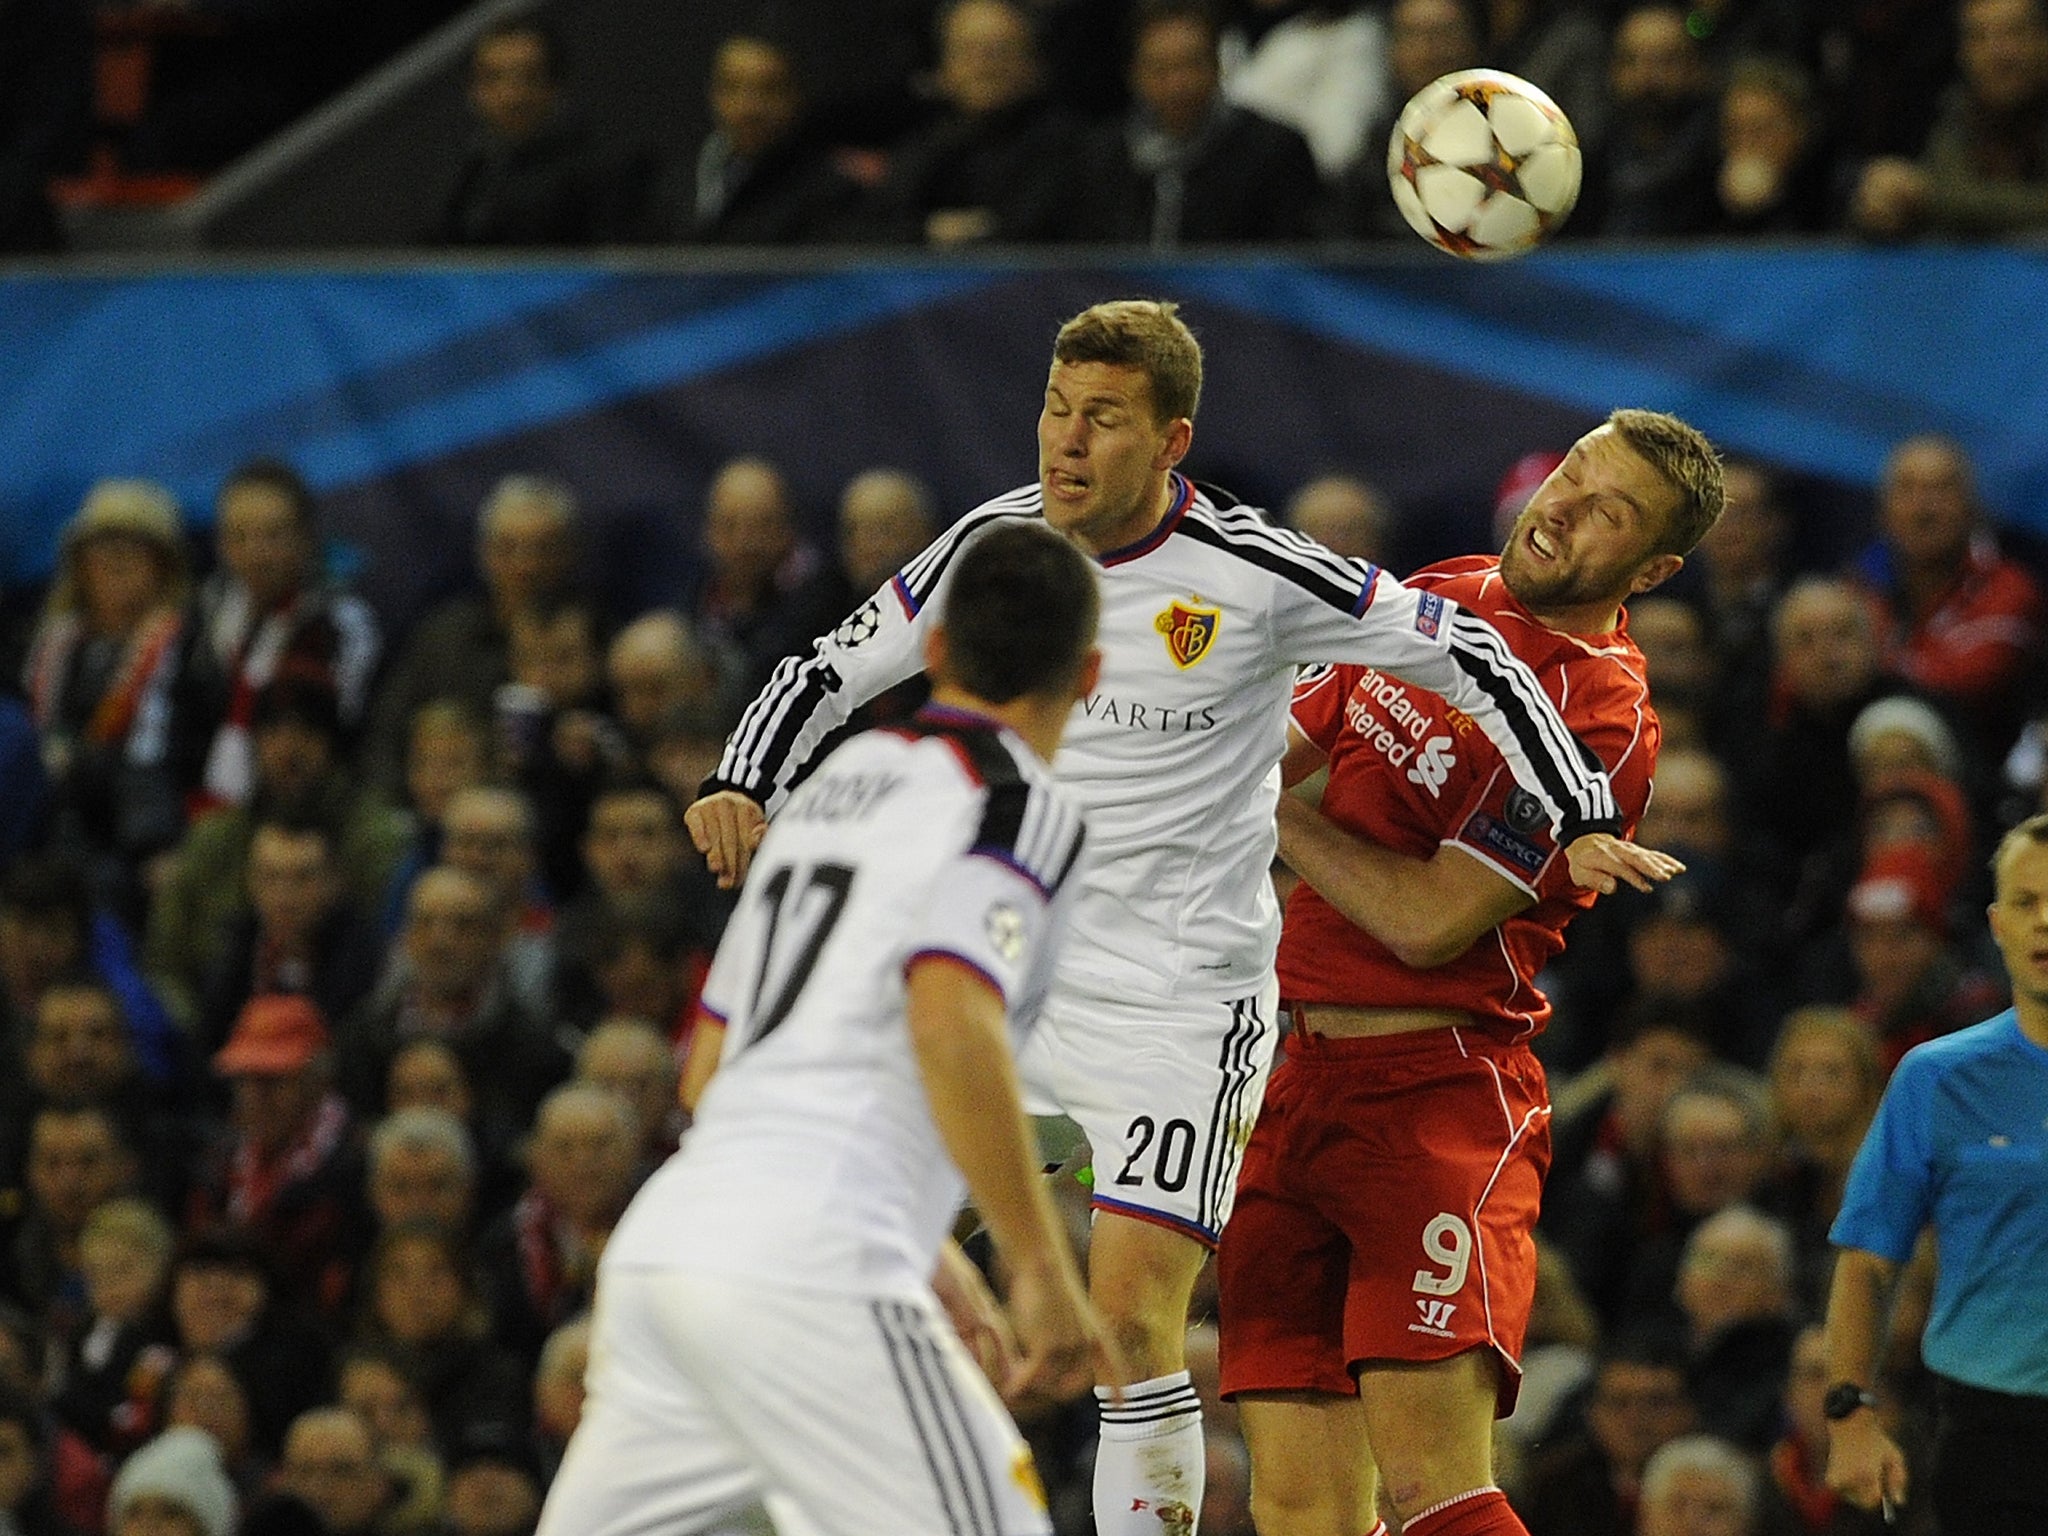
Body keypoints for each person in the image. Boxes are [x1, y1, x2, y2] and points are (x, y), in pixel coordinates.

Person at [688, 299, 1661, 1535]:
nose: (1065, 442)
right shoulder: (994, 542)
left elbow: (1474, 656)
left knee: (1131, 1325)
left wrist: (1572, 808)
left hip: (1182, 1014)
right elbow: (832, 665)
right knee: (870, 1254)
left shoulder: (1260, 573)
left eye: (1101, 420)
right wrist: (738, 776)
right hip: (1015, 978)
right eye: (1054, 410)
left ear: (1170, 441)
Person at [540, 520, 1112, 1536]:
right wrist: (1036, 1267)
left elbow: (707, 1072)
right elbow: (950, 1013)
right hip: (814, 1267)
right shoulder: (1017, 802)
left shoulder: (819, 797)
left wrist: (928, 1255)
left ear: (933, 652)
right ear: (1090, 673)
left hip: (669, 1249)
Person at [1215, 410, 1722, 1536]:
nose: (1564, 510)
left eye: (1609, 512)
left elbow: (1427, 919)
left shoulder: (1598, 718)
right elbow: (1258, 759)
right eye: (1571, 476)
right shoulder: (1440, 591)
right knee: (1296, 1507)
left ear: (1653, 568)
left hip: (1436, 1099)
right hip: (1285, 1083)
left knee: (1433, 1492)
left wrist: (1255, 806)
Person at [1823, 810, 2048, 1533]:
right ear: (1996, 924)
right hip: (1993, 1435)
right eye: (2026, 902)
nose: (2046, 921)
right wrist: (1849, 1414)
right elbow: (1868, 1263)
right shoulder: (1936, 1079)